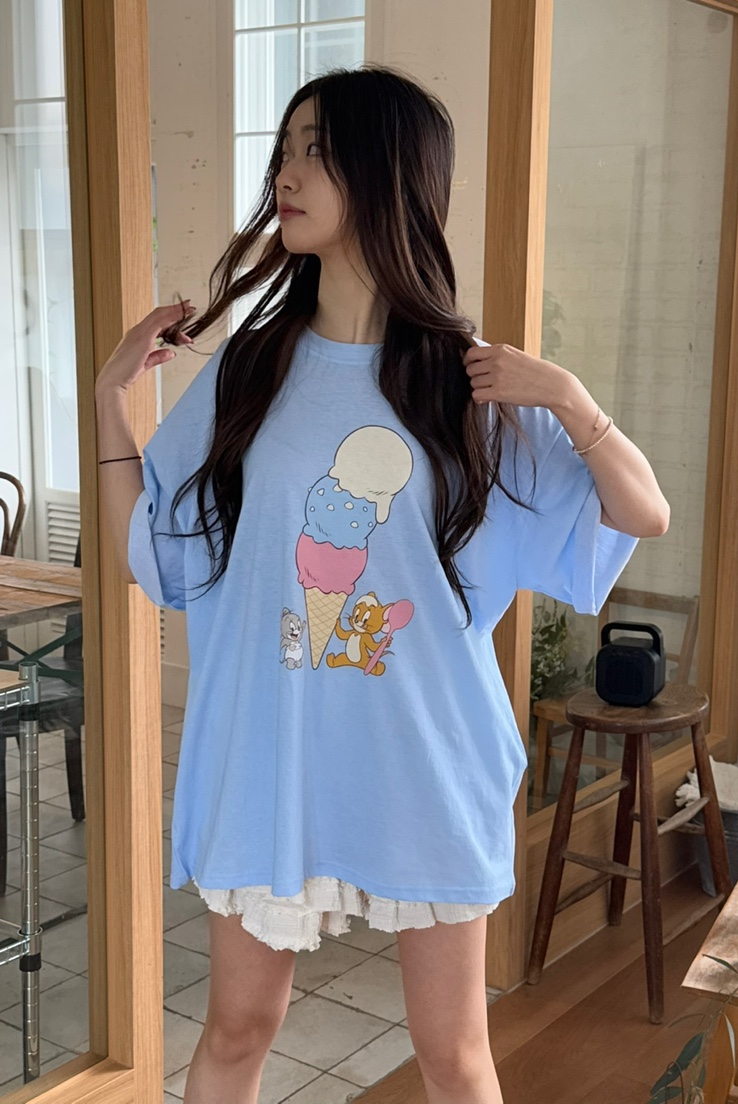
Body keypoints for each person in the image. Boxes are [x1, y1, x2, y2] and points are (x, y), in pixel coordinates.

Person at [95, 64, 669, 1104]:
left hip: (426, 758)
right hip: (270, 756)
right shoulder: (249, 370)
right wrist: (108, 402)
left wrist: (570, 400)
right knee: (237, 1028)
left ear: (388, 173)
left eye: (317, 150)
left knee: (453, 1055)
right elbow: (159, 553)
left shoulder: (469, 383)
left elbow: (642, 514)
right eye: (285, 150)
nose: (287, 174)